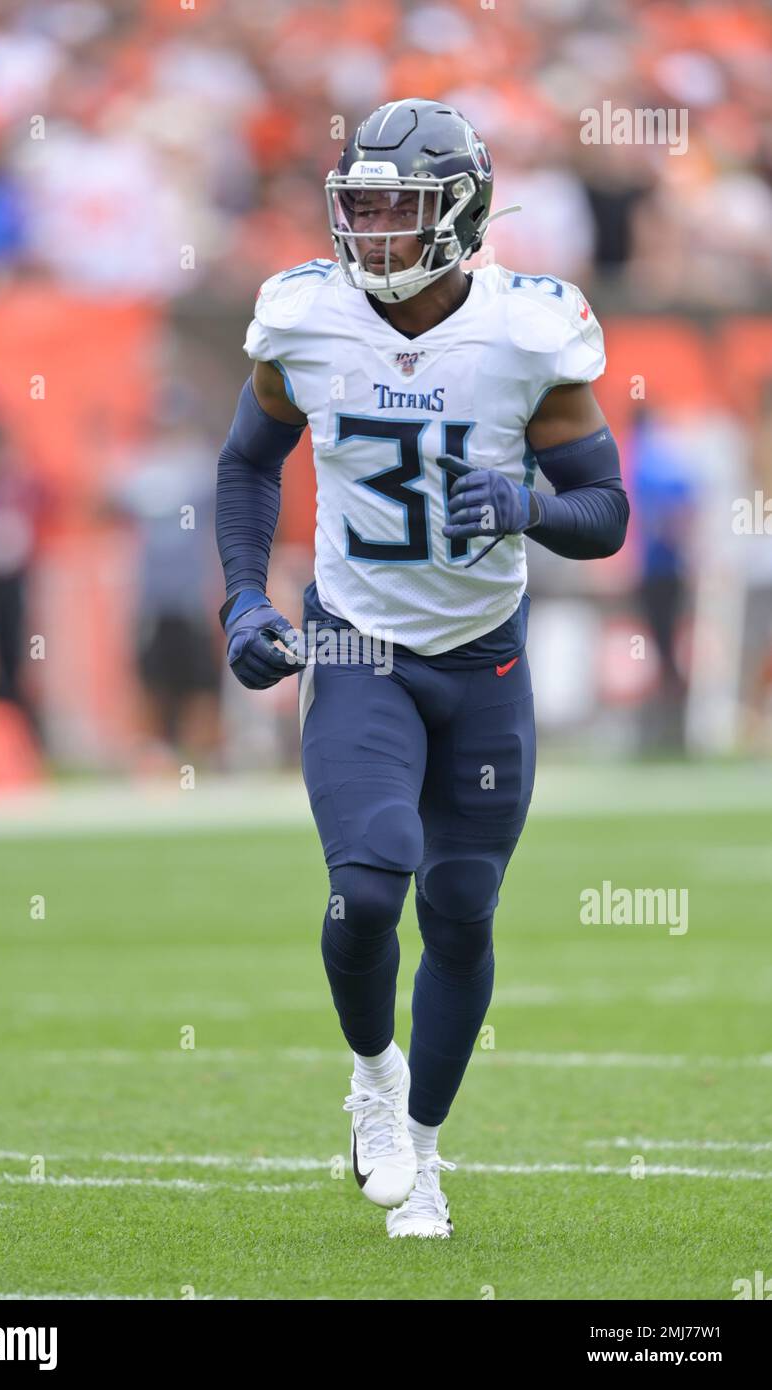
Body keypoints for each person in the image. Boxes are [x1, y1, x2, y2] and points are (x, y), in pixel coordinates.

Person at [214, 99, 629, 1239]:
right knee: (370, 881)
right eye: (360, 208)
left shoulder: (526, 332)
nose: (373, 234)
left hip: (484, 657)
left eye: (398, 210)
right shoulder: (303, 317)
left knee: (459, 908)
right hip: (356, 640)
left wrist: (524, 505)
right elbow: (248, 463)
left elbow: (604, 515)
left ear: (460, 215)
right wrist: (244, 596)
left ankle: (428, 1156)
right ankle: (373, 1081)